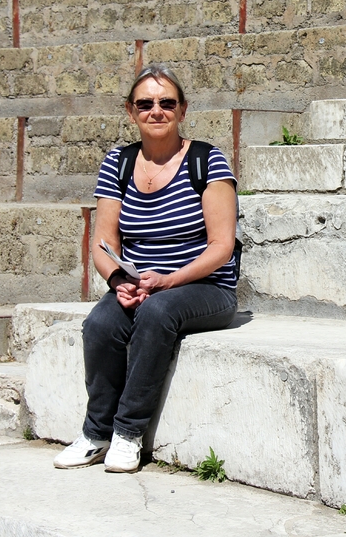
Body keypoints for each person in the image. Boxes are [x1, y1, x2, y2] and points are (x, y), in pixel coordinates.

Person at [53, 64, 238, 473]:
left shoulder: (207, 160)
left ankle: (127, 434)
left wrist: (168, 281)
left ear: (183, 109)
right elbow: (103, 244)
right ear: (130, 111)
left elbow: (222, 247)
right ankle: (95, 435)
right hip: (140, 284)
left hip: (204, 287)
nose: (156, 110)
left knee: (156, 312)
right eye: (145, 103)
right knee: (101, 323)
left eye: (166, 102)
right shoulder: (118, 163)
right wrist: (119, 280)